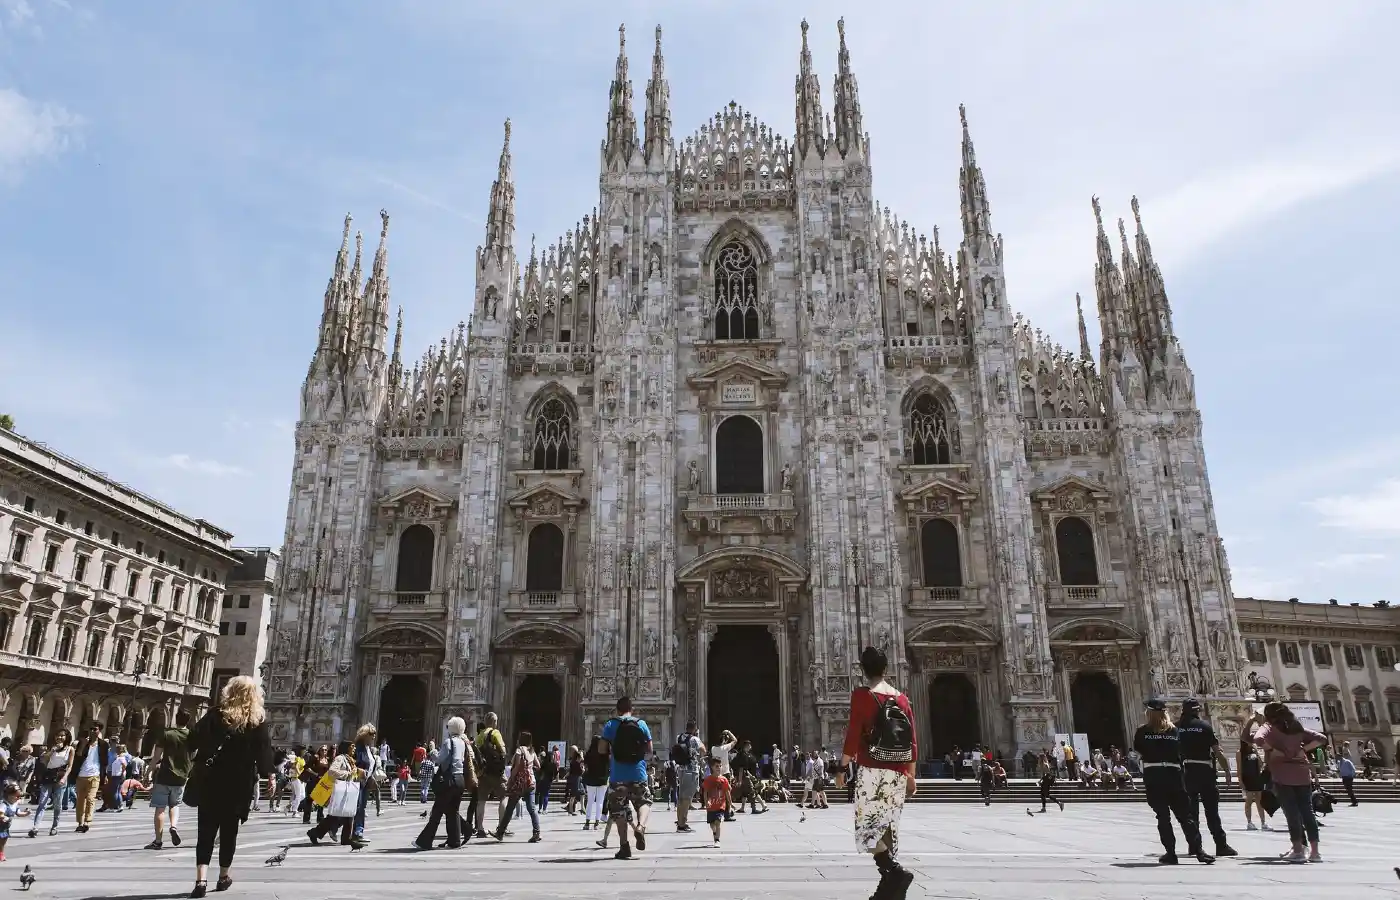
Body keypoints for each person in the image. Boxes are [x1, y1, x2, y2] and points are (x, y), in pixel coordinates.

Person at [842, 646, 918, 900]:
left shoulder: (863, 696)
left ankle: (895, 873)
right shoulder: (902, 698)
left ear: (863, 670)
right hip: (898, 771)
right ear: (886, 669)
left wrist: (842, 768)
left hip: (873, 769)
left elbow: (853, 734)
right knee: (887, 831)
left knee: (866, 833)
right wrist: (911, 775)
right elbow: (912, 741)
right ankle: (889, 890)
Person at [187, 675, 274, 898]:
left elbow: (192, 740)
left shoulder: (215, 714)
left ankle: (201, 880)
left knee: (205, 832)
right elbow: (263, 753)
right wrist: (270, 777)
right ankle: (224, 876)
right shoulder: (256, 721)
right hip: (238, 785)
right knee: (229, 833)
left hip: (210, 782)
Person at [1133, 699, 1213, 865]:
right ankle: (1199, 851)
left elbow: (1139, 749)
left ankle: (1171, 853)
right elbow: (1180, 750)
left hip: (1154, 775)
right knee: (1185, 816)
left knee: (1163, 816)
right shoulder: (1174, 731)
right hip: (1174, 775)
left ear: (1149, 712)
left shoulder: (1142, 731)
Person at [1251, 702, 1327, 863]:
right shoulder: (1296, 726)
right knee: (1308, 813)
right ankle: (1315, 852)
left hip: (1282, 775)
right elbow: (1321, 738)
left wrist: (1272, 750)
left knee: (1292, 813)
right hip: (1302, 774)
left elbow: (1257, 738)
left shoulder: (1269, 727)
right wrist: (1303, 750)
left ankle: (1298, 850)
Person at [1176, 698, 1236, 857]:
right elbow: (1218, 751)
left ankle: (1194, 846)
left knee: (1191, 812)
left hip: (1185, 772)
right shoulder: (1204, 726)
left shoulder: (1176, 728)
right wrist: (1227, 771)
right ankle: (1221, 845)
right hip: (1205, 771)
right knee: (1212, 811)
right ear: (1197, 710)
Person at [599, 695, 653, 860]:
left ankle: (624, 847)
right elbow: (649, 751)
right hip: (638, 773)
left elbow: (601, 749)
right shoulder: (641, 724)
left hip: (618, 775)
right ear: (632, 709)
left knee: (618, 811)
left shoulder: (611, 724)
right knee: (643, 802)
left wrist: (612, 752)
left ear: (617, 709)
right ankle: (641, 826)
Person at [414, 716, 475, 850]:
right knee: (453, 810)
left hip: (449, 780)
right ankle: (456, 840)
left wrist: (432, 749)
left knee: (437, 811)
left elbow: (439, 759)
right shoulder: (463, 743)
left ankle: (424, 841)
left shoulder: (449, 742)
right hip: (460, 780)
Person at [305, 741, 366, 850]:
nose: (354, 748)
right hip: (340, 790)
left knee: (347, 813)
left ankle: (346, 837)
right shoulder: (340, 758)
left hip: (347, 789)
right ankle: (315, 832)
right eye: (352, 746)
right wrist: (348, 774)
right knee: (336, 815)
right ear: (346, 747)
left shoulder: (349, 760)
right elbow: (332, 772)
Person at [145, 709, 193, 850]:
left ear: (176, 718)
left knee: (160, 809)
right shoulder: (191, 736)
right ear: (188, 721)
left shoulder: (167, 735)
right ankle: (173, 826)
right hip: (181, 777)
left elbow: (156, 757)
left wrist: (148, 773)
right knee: (175, 805)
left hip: (164, 775)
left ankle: (158, 841)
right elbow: (194, 756)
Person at [496, 731, 541, 843]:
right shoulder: (532, 751)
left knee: (510, 808)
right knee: (532, 808)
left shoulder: (519, 750)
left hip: (519, 784)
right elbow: (538, 766)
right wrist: (530, 769)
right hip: (531, 783)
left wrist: (510, 779)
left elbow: (516, 768)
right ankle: (537, 832)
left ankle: (500, 832)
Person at [27, 731, 72, 838]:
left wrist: (65, 778)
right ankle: (35, 827)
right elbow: (44, 760)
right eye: (58, 735)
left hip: (60, 777)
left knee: (57, 804)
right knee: (42, 802)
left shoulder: (70, 749)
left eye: (62, 735)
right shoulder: (51, 748)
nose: (59, 737)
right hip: (48, 776)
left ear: (66, 737)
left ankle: (54, 826)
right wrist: (52, 751)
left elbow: (70, 766)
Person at [70, 722, 112, 833]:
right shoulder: (83, 742)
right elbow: (78, 756)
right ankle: (80, 822)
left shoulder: (103, 744)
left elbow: (105, 761)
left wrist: (105, 775)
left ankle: (87, 822)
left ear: (99, 731)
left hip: (95, 775)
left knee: (90, 799)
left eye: (95, 729)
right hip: (81, 775)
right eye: (91, 729)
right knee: (80, 800)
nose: (93, 731)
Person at [473, 713, 508, 838]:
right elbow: (503, 751)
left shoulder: (479, 736)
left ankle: (480, 828)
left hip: (483, 773)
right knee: (503, 797)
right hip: (495, 772)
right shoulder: (495, 733)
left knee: (481, 800)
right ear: (494, 721)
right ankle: (501, 827)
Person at [1237, 737, 1272, 830]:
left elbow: (1260, 764)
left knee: (1259, 801)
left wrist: (1256, 752)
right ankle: (1249, 822)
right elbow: (1239, 768)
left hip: (1257, 778)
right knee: (1248, 801)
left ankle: (1263, 822)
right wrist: (1240, 780)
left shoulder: (1254, 751)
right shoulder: (1240, 752)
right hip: (1247, 779)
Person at [701, 754, 731, 848]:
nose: (718, 768)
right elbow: (705, 792)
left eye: (720, 766)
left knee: (718, 822)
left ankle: (717, 840)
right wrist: (706, 803)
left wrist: (730, 803)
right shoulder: (708, 780)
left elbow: (727, 792)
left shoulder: (724, 779)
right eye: (716, 766)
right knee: (712, 824)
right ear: (712, 767)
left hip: (720, 806)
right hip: (711, 806)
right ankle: (714, 832)